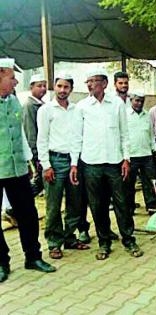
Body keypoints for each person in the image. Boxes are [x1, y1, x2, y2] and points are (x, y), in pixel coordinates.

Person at [70, 69, 143, 260]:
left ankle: (128, 239)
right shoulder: (82, 106)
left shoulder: (117, 104)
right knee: (97, 204)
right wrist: (74, 164)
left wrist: (126, 159)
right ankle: (104, 242)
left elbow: (124, 134)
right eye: (88, 81)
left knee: (122, 202)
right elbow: (76, 137)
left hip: (114, 162)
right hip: (91, 163)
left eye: (94, 81)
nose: (90, 85)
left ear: (104, 84)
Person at [0, 58, 56, 283]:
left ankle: (33, 257)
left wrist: (29, 161)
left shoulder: (14, 101)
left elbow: (21, 134)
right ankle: (1, 262)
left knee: (29, 215)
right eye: (11, 77)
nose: (15, 82)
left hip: (17, 169)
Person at [37, 74, 89, 259]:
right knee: (53, 205)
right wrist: (46, 165)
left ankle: (70, 238)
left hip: (73, 161)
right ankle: (54, 243)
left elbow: (77, 138)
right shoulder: (46, 110)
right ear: (54, 87)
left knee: (75, 203)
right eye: (59, 86)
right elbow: (41, 139)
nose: (62, 90)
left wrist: (75, 164)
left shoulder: (76, 110)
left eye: (66, 87)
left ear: (71, 89)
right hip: (54, 161)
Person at [126, 91, 156, 214]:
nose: (139, 103)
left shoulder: (147, 115)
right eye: (137, 100)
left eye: (141, 101)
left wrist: (155, 149)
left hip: (147, 154)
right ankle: (129, 208)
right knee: (129, 184)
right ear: (131, 100)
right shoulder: (125, 115)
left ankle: (151, 206)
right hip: (131, 155)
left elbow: (151, 135)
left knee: (150, 182)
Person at [22, 73, 47, 197]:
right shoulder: (29, 106)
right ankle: (17, 206)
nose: (43, 88)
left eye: (44, 85)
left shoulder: (41, 104)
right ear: (31, 87)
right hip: (38, 151)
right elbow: (30, 132)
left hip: (43, 149)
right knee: (39, 181)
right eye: (39, 86)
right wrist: (36, 155)